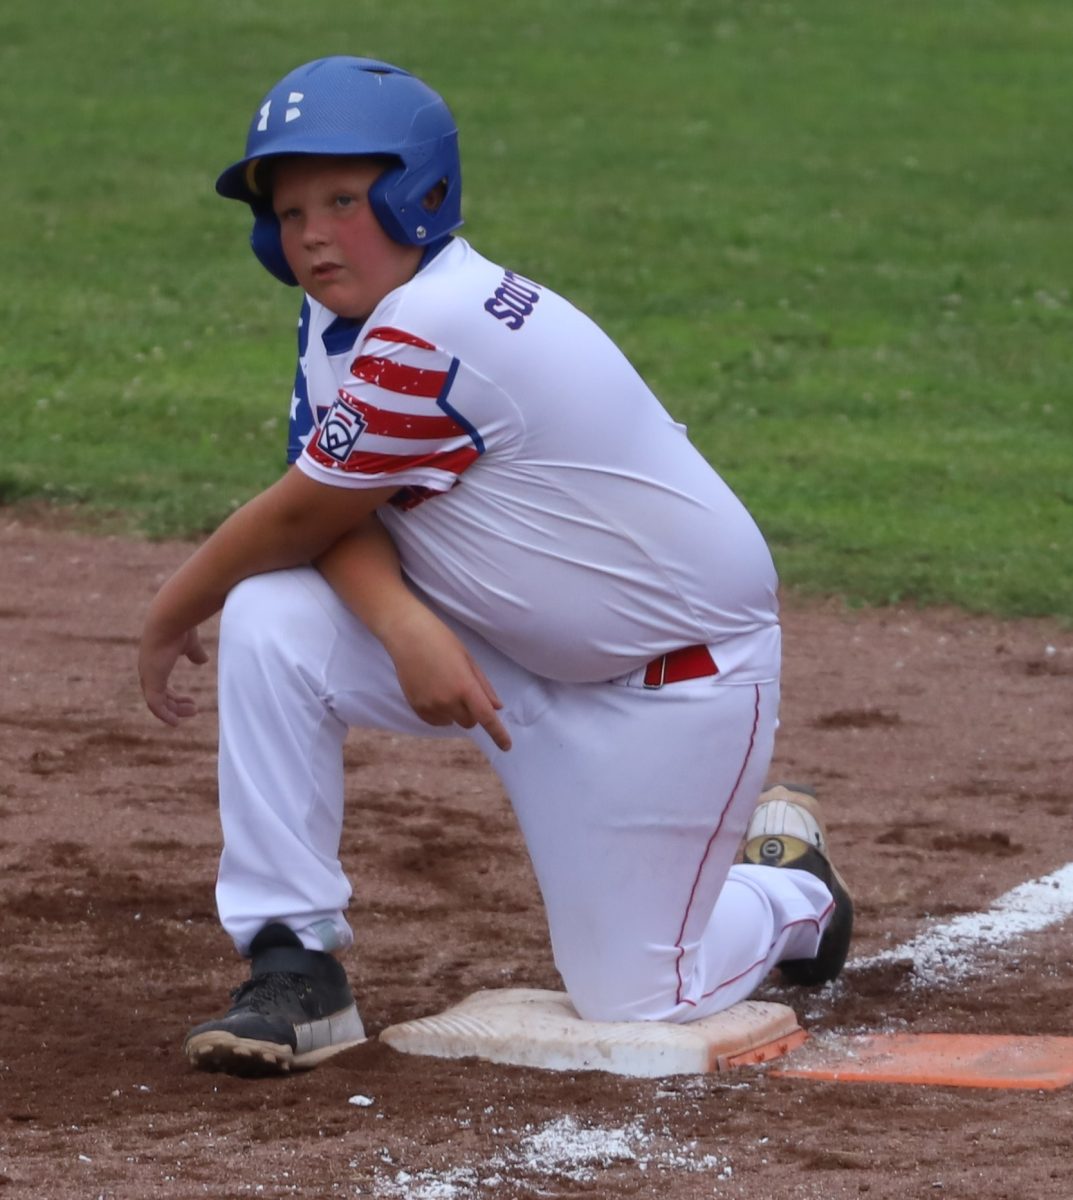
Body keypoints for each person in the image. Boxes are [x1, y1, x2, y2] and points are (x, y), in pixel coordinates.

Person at [138, 55, 853, 1077]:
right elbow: (330, 510)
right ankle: (293, 963)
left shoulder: (439, 326)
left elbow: (300, 508)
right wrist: (402, 624)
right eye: (290, 212)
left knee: (642, 999)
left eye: (344, 199)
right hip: (504, 657)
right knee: (272, 618)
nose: (312, 233)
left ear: (416, 193)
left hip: (671, 690)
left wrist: (170, 609)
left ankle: (789, 890)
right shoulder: (340, 323)